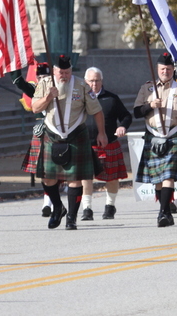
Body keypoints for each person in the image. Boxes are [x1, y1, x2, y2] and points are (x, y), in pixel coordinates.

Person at [32, 55, 107, 230]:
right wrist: (49, 97)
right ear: (54, 71)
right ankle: (58, 207)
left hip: (75, 135)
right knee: (47, 178)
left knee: (75, 179)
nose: (63, 75)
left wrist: (102, 133)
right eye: (60, 72)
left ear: (71, 71)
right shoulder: (44, 84)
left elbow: (96, 111)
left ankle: (71, 217)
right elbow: (35, 107)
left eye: (66, 72)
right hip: (52, 135)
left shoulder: (82, 85)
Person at [133, 52, 177, 227]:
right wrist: (150, 105)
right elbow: (136, 112)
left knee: (168, 175)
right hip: (153, 136)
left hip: (174, 134)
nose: (166, 72)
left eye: (169, 69)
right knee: (158, 179)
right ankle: (167, 212)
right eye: (163, 69)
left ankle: (162, 213)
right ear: (157, 70)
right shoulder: (147, 88)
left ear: (173, 70)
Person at [80, 66, 132, 221]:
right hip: (85, 143)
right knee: (86, 177)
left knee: (111, 177)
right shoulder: (79, 99)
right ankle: (87, 209)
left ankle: (110, 206)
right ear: (85, 81)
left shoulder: (111, 98)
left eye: (97, 81)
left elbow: (126, 116)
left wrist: (122, 126)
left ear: (102, 81)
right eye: (91, 81)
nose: (94, 84)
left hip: (108, 144)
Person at [12, 63, 55, 217]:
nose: (43, 80)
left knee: (62, 173)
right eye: (40, 77)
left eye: (46, 77)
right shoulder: (34, 90)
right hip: (43, 134)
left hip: (61, 133)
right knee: (45, 172)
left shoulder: (61, 90)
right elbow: (18, 82)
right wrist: (14, 63)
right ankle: (47, 203)